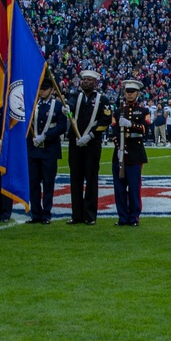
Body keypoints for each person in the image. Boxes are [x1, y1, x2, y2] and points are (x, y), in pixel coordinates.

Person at [67, 69, 112, 225]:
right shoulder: (74, 96)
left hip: (92, 145)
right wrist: (66, 111)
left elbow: (105, 121)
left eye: (89, 80)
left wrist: (90, 135)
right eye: (83, 79)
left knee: (91, 180)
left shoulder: (103, 100)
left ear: (95, 83)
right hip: (75, 144)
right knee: (75, 179)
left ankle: (90, 215)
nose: (85, 82)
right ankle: (76, 215)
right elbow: (71, 109)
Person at [27, 80, 68, 224]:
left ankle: (46, 213)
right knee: (33, 183)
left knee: (48, 183)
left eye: (45, 89)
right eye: (40, 89)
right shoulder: (32, 105)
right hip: (33, 150)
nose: (42, 92)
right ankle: (35, 213)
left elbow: (62, 126)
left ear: (52, 90)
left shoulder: (58, 106)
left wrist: (45, 135)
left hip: (49, 149)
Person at [112, 78, 150, 225]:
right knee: (119, 189)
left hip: (135, 153)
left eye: (132, 92)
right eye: (127, 92)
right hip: (120, 154)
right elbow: (114, 132)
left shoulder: (143, 111)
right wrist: (119, 148)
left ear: (137, 93)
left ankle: (134, 217)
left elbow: (145, 128)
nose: (129, 94)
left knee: (134, 189)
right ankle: (122, 217)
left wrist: (131, 124)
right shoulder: (117, 111)